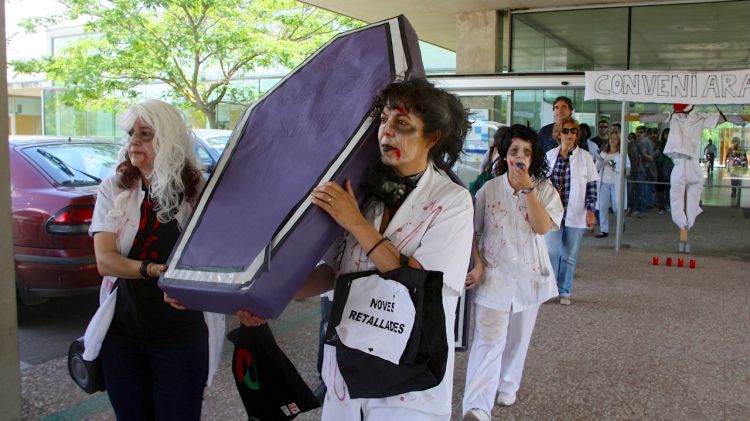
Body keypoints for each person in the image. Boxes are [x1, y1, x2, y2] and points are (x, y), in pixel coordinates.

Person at [239, 78, 474, 420]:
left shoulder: (451, 201)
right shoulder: (364, 193)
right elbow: (333, 273)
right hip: (347, 369)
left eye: (402, 124)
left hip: (407, 377)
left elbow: (419, 281)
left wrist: (355, 222)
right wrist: (268, 296)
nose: (386, 133)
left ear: (432, 138)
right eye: (384, 121)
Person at [89, 100, 225, 420]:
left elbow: (214, 259)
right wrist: (154, 271)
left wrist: (190, 284)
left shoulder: (198, 191)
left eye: (145, 134)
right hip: (123, 336)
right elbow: (105, 261)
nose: (133, 141)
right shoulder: (115, 187)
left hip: (180, 338)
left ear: (168, 139)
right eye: (130, 133)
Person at [462, 124, 563, 421]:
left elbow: (542, 227)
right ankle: (477, 406)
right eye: (514, 151)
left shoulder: (544, 189)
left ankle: (507, 383)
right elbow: (471, 231)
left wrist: (528, 189)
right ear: (504, 155)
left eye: (527, 152)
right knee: (489, 339)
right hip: (494, 277)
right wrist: (477, 263)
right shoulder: (488, 190)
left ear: (534, 157)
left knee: (518, 338)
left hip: (529, 277)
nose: (520, 157)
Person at [544, 117, 598, 306]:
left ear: (577, 135)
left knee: (569, 254)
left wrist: (591, 210)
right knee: (551, 250)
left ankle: (564, 290)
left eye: (573, 131)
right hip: (552, 211)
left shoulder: (585, 157)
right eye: (565, 131)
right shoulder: (550, 155)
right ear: (558, 133)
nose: (569, 135)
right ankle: (549, 289)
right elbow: (540, 184)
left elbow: (592, 185)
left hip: (576, 211)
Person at [595, 131, 630, 238]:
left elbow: (627, 169)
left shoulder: (622, 154)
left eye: (615, 138)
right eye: (611, 138)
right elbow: (596, 168)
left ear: (619, 141)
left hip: (616, 184)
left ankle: (620, 224)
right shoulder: (604, 153)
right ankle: (604, 229)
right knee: (603, 206)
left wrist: (617, 167)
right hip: (604, 183)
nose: (612, 140)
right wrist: (600, 161)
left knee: (616, 207)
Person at [654, 128, 673, 215]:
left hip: (671, 169)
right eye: (666, 134)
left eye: (669, 134)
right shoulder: (659, 145)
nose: (667, 136)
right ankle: (661, 207)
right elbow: (654, 156)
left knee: (670, 189)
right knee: (660, 190)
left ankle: (668, 205)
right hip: (660, 169)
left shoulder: (675, 145)